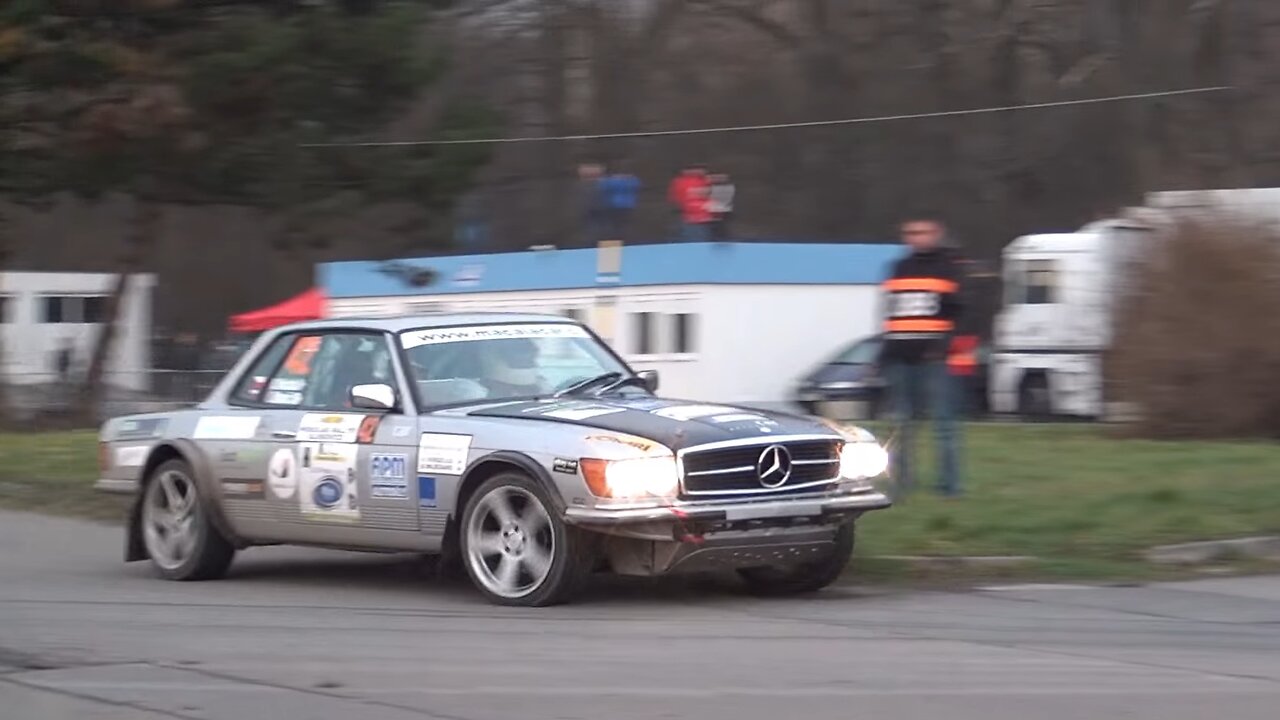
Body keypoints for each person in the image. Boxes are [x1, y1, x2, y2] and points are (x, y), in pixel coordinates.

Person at [878, 214, 965, 498]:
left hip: (934, 359)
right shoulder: (898, 268)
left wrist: (944, 346)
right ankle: (901, 484)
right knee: (900, 425)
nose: (917, 238)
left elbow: (962, 313)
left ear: (937, 232)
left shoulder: (949, 268)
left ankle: (949, 487)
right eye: (910, 232)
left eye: (923, 232)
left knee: (944, 425)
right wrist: (884, 352)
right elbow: (889, 315)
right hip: (899, 357)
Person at [667, 165, 711, 242]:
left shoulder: (706, 181)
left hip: (701, 214)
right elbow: (676, 197)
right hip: (689, 215)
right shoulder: (680, 182)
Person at [599, 165, 641, 241]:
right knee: (625, 223)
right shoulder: (633, 180)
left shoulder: (612, 181)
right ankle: (626, 239)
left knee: (614, 224)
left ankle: (615, 238)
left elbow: (603, 187)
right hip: (629, 205)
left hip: (613, 205)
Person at [707, 172, 736, 240]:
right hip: (712, 213)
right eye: (716, 177)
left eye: (721, 177)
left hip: (723, 213)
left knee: (722, 230)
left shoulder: (728, 187)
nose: (718, 179)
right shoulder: (709, 186)